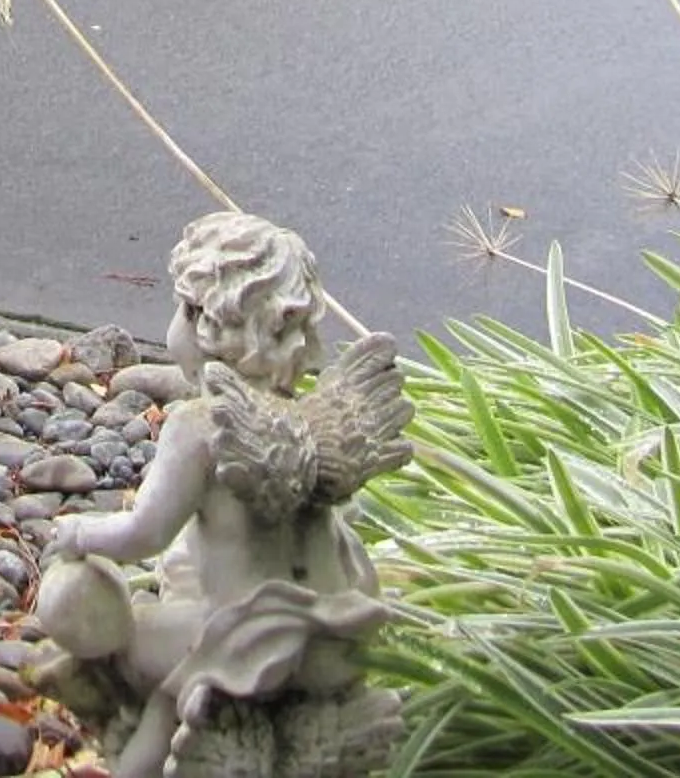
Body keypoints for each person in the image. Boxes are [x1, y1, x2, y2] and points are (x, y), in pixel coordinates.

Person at [32, 213, 411, 778]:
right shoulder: (310, 417)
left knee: (138, 655)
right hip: (339, 626)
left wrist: (77, 533)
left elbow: (145, 535)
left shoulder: (204, 424)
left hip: (250, 633)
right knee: (183, 657)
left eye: (182, 307)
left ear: (203, 321)